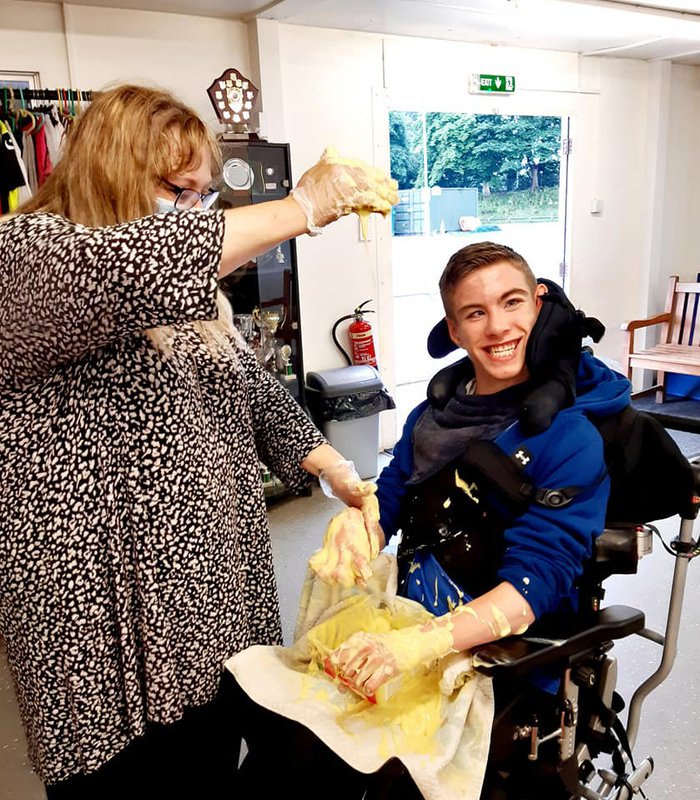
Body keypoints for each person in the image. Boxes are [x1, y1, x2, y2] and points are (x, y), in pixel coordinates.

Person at [0, 83, 398, 798]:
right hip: (109, 611)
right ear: (113, 170)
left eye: (202, 195)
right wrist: (301, 208)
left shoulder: (195, 295)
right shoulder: (25, 256)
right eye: (177, 190)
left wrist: (330, 461)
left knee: (217, 757)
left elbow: (244, 381)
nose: (193, 209)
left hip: (212, 587)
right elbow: (136, 267)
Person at [232, 241, 631, 799]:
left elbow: (530, 587)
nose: (497, 327)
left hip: (501, 656)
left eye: (512, 303)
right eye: (475, 313)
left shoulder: (569, 439)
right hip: (407, 622)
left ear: (539, 307)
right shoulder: (432, 417)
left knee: (360, 767)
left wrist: (419, 645)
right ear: (454, 328)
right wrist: (360, 524)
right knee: (275, 726)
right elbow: (390, 499)